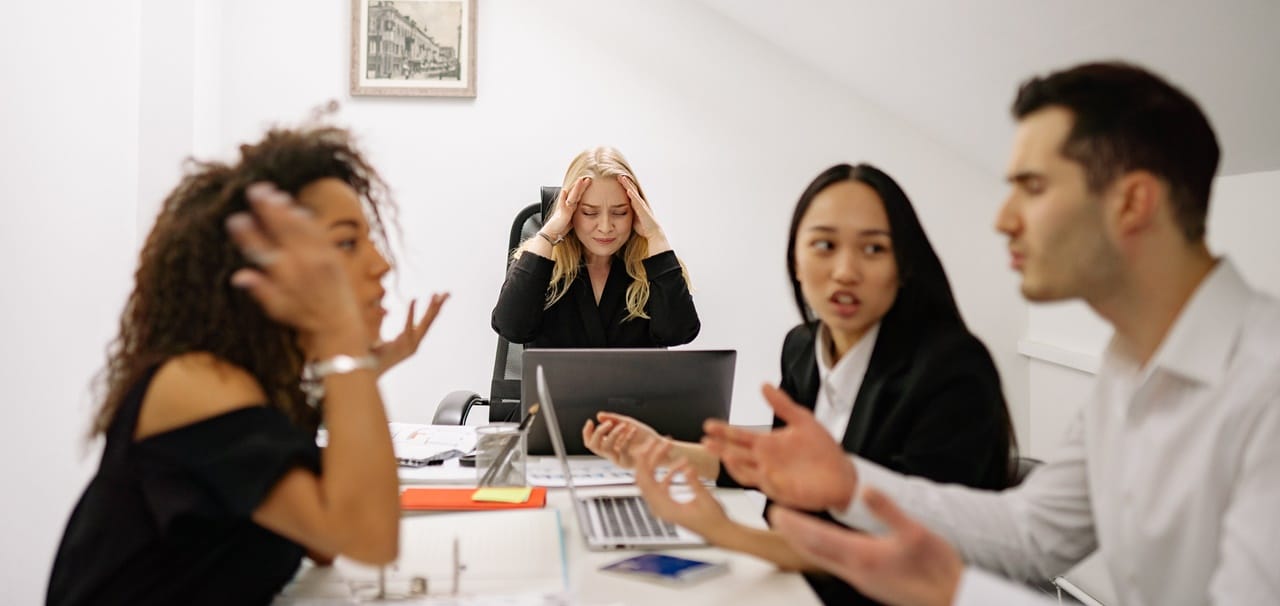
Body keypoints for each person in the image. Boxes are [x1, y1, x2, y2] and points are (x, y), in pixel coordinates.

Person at [710, 62, 1280, 606]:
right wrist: (847, 484)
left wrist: (950, 591)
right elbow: (1032, 535)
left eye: (1031, 187)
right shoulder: (1128, 366)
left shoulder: (1264, 382)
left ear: (1132, 202)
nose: (1003, 218)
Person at [47, 124, 449, 605]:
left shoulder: (261, 389)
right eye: (346, 243)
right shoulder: (194, 382)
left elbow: (321, 542)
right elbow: (369, 537)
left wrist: (348, 371)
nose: (381, 264)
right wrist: (344, 350)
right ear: (259, 272)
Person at [586, 163, 1016, 605]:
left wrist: (721, 531)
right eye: (825, 245)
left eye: (873, 249)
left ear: (903, 265)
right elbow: (775, 472)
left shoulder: (951, 371)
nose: (845, 271)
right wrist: (662, 449)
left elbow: (897, 561)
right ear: (795, 259)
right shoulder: (804, 348)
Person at [490, 146, 699, 349]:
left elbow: (679, 332)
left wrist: (656, 236)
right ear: (570, 212)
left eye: (620, 212)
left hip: (636, 386)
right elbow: (511, 328)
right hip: (557, 386)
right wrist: (548, 236)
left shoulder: (653, 264)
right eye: (590, 213)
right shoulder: (539, 260)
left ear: (636, 211)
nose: (606, 227)